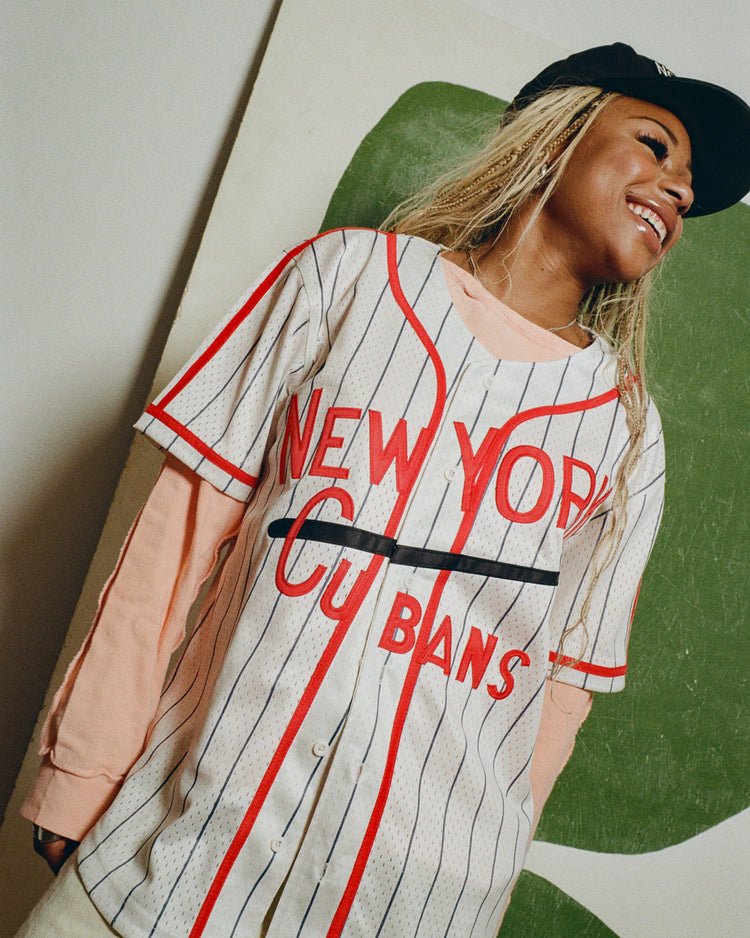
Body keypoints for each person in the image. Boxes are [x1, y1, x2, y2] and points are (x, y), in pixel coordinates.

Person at [16, 42, 750, 938]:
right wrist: (82, 772)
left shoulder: (628, 430)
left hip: (415, 900)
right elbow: (174, 540)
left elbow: (563, 685)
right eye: (656, 144)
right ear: (555, 136)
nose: (679, 189)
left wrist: (482, 874)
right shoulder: (343, 280)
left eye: (692, 181)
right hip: (174, 849)